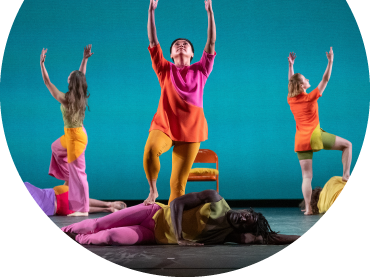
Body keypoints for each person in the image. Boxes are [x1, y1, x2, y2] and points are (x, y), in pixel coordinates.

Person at [143, 0, 217, 205]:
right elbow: (153, 40)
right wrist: (151, 13)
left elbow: (211, 43)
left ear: (193, 54)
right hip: (164, 126)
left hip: (191, 132)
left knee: (177, 186)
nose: (181, 45)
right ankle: (153, 191)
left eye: (185, 44)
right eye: (176, 45)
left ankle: (173, 229)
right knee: (150, 152)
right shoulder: (164, 68)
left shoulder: (201, 70)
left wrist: (210, 13)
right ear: (171, 54)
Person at [61, 189, 301, 246]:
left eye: (246, 221)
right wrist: (179, 238)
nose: (243, 217)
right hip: (154, 212)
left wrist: (303, 239)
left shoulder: (227, 233)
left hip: (151, 235)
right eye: (247, 214)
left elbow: (271, 236)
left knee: (111, 236)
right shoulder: (215, 199)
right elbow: (176, 203)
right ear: (246, 210)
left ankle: (78, 240)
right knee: (98, 222)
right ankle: (64, 233)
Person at [287, 48, 352, 215]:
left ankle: (308, 208)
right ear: (302, 85)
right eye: (306, 79)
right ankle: (346, 175)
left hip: (300, 140)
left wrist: (291, 66)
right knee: (347, 145)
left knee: (306, 177)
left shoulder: (291, 99)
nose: (308, 80)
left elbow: (291, 82)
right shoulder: (311, 96)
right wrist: (330, 61)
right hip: (315, 136)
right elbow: (326, 79)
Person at [40, 45, 93, 216]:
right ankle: (69, 176)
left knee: (80, 174)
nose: (67, 78)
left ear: (72, 82)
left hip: (76, 139)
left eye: (69, 77)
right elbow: (81, 75)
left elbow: (48, 83)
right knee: (56, 148)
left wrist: (42, 64)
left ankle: (83, 210)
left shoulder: (65, 99)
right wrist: (84, 59)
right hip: (72, 135)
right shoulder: (81, 95)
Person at [23, 182, 126, 216]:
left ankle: (107, 209)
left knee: (79, 207)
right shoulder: (25, 185)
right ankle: (108, 204)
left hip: (60, 208)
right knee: (81, 200)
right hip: (60, 192)